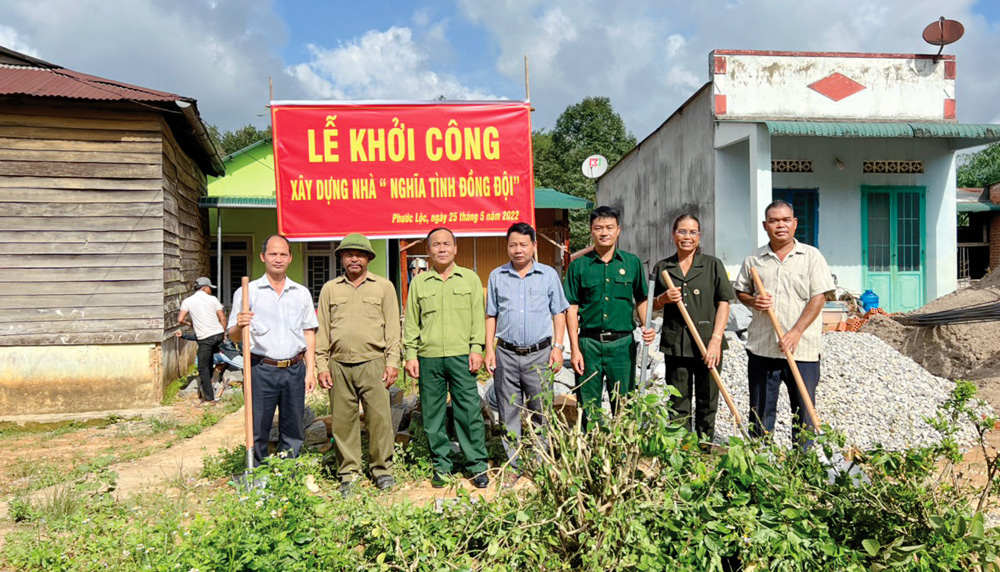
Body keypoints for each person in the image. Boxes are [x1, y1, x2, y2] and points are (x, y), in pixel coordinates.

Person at [733, 200, 834, 446]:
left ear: (795, 223)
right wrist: (754, 301)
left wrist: (796, 332)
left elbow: (819, 296)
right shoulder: (754, 259)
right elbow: (740, 291)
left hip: (802, 350)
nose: (781, 225)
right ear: (765, 225)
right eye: (775, 220)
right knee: (760, 413)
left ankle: (802, 467)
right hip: (763, 349)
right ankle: (760, 464)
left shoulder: (811, 257)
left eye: (786, 220)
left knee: (804, 414)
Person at [403, 227, 490, 488]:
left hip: (462, 356)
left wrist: (477, 348)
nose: (441, 249)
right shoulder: (419, 283)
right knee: (432, 414)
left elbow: (478, 317)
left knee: (469, 411)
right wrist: (410, 355)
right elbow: (411, 323)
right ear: (428, 251)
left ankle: (476, 465)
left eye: (446, 244)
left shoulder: (470, 279)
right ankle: (441, 465)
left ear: (455, 248)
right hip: (429, 358)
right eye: (436, 245)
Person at [316, 233, 401, 496]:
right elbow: (322, 329)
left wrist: (393, 361)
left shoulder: (383, 286)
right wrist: (321, 364)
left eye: (360, 254)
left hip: (374, 363)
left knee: (379, 420)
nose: (354, 258)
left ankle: (382, 470)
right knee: (343, 422)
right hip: (339, 364)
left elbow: (393, 327)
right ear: (342, 258)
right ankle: (348, 473)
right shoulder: (330, 289)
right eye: (349, 254)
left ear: (368, 258)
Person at [485, 222, 569, 485]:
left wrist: (558, 347)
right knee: (508, 411)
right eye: (513, 245)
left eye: (523, 244)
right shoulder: (497, 276)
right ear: (507, 247)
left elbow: (559, 312)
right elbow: (491, 314)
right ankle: (513, 464)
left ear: (534, 246)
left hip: (540, 354)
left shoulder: (548, 275)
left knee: (540, 410)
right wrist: (490, 349)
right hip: (507, 354)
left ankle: (540, 461)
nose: (518, 250)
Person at [228, 235, 318, 465]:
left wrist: (310, 371)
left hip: (294, 368)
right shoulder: (248, 292)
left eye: (283, 254)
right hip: (260, 369)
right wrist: (240, 324)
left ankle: (286, 472)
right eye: (273, 254)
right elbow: (234, 336)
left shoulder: (301, 293)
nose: (278, 259)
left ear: (290, 258)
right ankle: (257, 471)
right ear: (262, 257)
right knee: (258, 426)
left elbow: (309, 332)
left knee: (293, 426)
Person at [564, 206, 654, 428]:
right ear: (591, 231)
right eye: (598, 228)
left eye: (609, 228)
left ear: (618, 230)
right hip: (589, 344)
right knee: (588, 404)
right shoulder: (578, 266)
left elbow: (642, 299)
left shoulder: (631, 263)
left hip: (622, 345)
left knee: (624, 402)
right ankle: (591, 454)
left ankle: (622, 456)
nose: (604, 232)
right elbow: (571, 309)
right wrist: (574, 349)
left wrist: (647, 326)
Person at [651, 214, 735, 442]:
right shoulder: (663, 267)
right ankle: (682, 450)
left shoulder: (712, 265)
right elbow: (652, 305)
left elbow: (724, 303)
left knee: (708, 400)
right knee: (678, 401)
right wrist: (664, 298)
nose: (687, 237)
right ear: (673, 235)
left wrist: (716, 340)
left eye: (693, 232)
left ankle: (705, 447)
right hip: (676, 343)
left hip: (708, 343)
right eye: (682, 231)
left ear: (699, 236)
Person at [175, 277, 228, 404]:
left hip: (205, 338)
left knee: (202, 368)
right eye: (210, 288)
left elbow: (180, 319)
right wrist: (224, 332)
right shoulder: (213, 299)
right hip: (218, 334)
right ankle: (211, 383)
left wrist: (189, 323)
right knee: (208, 362)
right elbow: (222, 318)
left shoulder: (188, 301)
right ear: (204, 288)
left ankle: (209, 398)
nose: (211, 290)